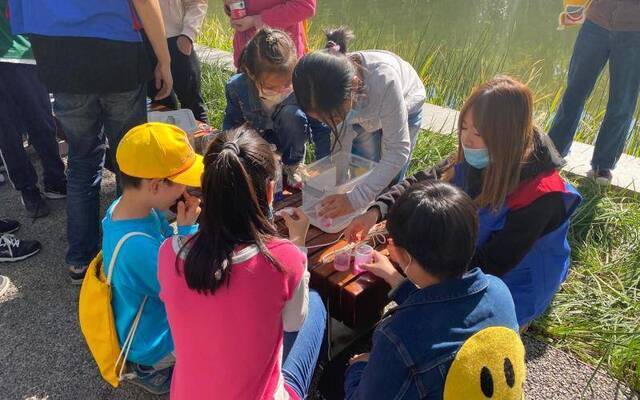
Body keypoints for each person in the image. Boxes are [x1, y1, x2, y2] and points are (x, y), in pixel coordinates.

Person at [346, 76, 582, 328]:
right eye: (464, 127)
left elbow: (490, 266)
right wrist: (375, 211)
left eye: (478, 132)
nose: (467, 139)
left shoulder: (541, 196)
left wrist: (410, 268)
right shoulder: (476, 154)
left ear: (507, 137)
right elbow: (420, 181)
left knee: (477, 332)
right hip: (475, 254)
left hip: (518, 279)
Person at [8, 0, 173, 283]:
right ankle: (132, 250)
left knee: (81, 160)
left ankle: (81, 259)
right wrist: (164, 60)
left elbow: (19, 15)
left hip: (58, 57)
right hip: (116, 50)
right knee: (130, 159)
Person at [158, 127, 326, 399]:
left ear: (204, 187)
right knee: (316, 303)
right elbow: (294, 323)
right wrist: (298, 242)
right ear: (270, 191)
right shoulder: (285, 258)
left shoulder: (169, 253)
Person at [344, 181, 520, 399]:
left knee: (333, 377)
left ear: (405, 256)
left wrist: (358, 367)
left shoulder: (397, 336)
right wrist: (395, 278)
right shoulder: (499, 290)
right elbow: (448, 313)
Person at [103, 122, 203, 394]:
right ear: (156, 185)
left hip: (143, 316)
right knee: (216, 327)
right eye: (182, 182)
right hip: (150, 341)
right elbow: (185, 286)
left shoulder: (123, 209)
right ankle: (150, 368)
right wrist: (188, 231)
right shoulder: (137, 248)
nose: (187, 189)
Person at [292, 27, 426, 219]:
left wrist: (354, 200)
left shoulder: (384, 80)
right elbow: (341, 145)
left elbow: (398, 151)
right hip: (362, 109)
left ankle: (384, 220)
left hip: (406, 104)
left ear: (354, 86)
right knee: (362, 168)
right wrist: (339, 188)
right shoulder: (326, 93)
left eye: (333, 117)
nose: (327, 123)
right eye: (319, 119)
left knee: (390, 184)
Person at [223, 27, 330, 187]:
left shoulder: (301, 88)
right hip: (256, 145)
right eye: (272, 87)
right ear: (251, 74)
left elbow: (320, 128)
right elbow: (232, 124)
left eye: (287, 84)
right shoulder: (237, 88)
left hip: (289, 146)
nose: (282, 90)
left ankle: (292, 166)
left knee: (292, 114)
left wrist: (324, 167)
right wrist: (232, 152)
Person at [548, 0, 640, 185]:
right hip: (595, 23)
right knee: (574, 91)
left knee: (622, 102)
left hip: (634, 32)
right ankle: (554, 150)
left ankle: (602, 165)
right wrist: (573, 10)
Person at [0, 0, 67, 218]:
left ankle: (55, 179)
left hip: (26, 56)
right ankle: (28, 190)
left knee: (43, 124)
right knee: (7, 134)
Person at [147, 0, 209, 123]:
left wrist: (188, 34)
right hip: (147, 43)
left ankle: (203, 141)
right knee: (160, 106)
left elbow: (197, 2)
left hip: (178, 41)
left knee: (193, 108)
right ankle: (168, 141)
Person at [223, 0, 316, 68]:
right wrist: (229, 5)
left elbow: (305, 6)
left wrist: (256, 21)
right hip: (245, 55)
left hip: (280, 60)